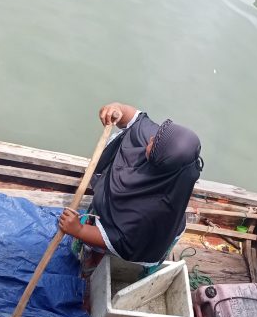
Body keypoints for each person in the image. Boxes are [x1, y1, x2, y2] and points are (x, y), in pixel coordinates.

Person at [58, 102, 203, 268]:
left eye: (154, 143)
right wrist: (118, 110)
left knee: (102, 244)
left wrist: (79, 230)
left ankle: (92, 264)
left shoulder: (151, 211)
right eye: (157, 135)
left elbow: (120, 239)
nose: (151, 137)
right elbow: (135, 119)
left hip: (145, 236)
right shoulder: (173, 155)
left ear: (160, 161)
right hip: (116, 211)